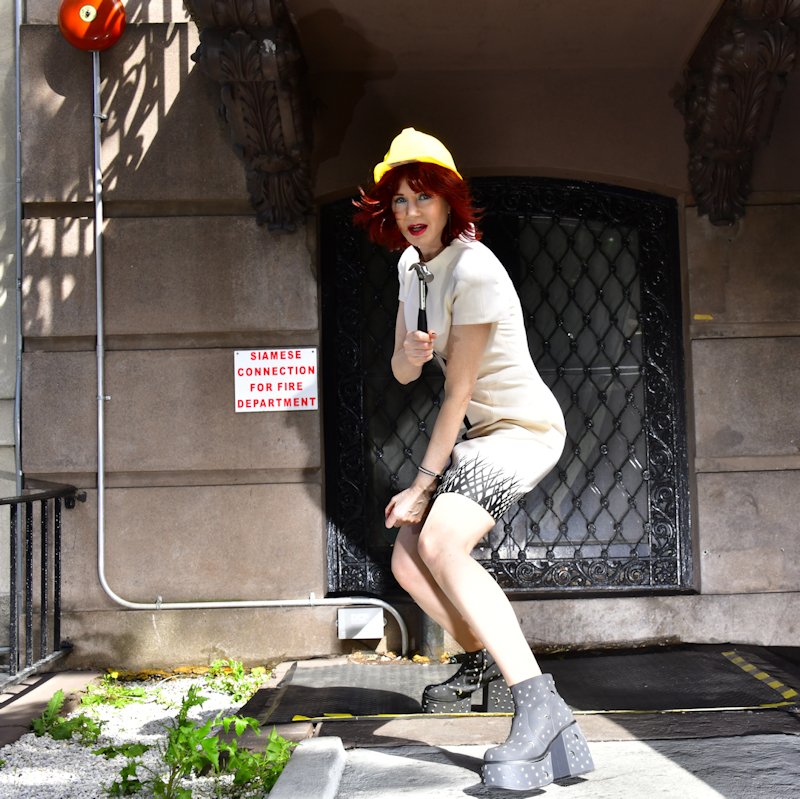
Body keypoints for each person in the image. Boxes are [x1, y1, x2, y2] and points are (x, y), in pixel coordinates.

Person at [353, 128, 594, 791]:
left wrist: (424, 484)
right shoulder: (412, 267)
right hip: (480, 435)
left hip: (523, 429)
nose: (412, 210)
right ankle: (496, 668)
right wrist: (412, 348)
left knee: (440, 539)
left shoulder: (475, 268)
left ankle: (537, 705)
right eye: (400, 199)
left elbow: (458, 392)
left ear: (450, 199)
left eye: (424, 194)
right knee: (407, 559)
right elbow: (407, 370)